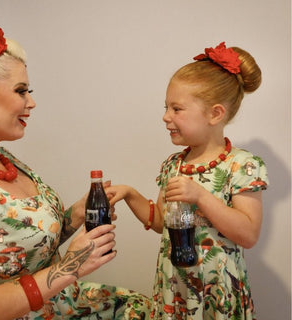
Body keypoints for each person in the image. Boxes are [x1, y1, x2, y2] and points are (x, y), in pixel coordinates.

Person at [0, 14, 150, 320]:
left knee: (145, 306)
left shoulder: (5, 160)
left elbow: (27, 243)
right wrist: (70, 267)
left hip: (64, 302)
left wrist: (76, 215)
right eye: (20, 91)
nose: (31, 103)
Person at [106, 42, 268, 319]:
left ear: (215, 114)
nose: (166, 116)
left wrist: (202, 197)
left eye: (177, 109)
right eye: (166, 107)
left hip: (218, 293)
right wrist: (130, 194)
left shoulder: (242, 165)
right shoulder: (174, 164)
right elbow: (160, 223)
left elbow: (248, 234)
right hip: (174, 290)